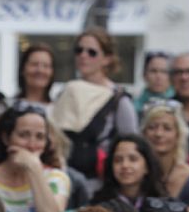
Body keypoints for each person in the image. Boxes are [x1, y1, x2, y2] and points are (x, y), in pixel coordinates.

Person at [49, 27, 137, 180]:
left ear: (107, 58)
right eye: (79, 50)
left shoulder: (119, 99)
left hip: (100, 183)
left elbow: (131, 144)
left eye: (92, 52)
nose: (83, 56)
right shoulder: (66, 91)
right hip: (63, 177)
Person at [93, 134, 166, 212]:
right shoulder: (99, 206)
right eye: (118, 160)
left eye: (133, 159)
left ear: (147, 167)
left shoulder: (161, 204)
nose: (125, 165)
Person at [140, 101, 189, 197]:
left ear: (178, 135)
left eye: (167, 128)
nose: (159, 134)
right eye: (152, 127)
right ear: (144, 133)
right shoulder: (134, 173)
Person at [16, 43, 57, 108]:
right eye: (34, 64)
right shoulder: (6, 106)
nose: (40, 70)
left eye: (46, 66)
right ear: (22, 69)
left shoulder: (59, 110)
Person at [134, 49, 172, 113]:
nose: (158, 76)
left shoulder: (181, 105)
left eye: (164, 72)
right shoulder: (134, 107)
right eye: (154, 71)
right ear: (144, 75)